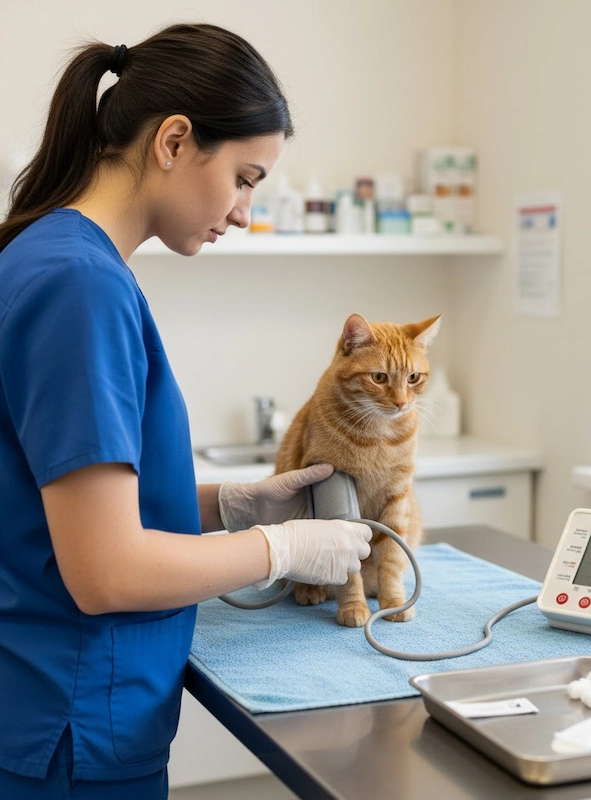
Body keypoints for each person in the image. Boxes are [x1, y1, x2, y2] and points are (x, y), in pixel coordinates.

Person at [0, 22, 372, 799]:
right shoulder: (81, 285)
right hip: (70, 727)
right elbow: (106, 570)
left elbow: (58, 503)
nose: (242, 212)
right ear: (173, 141)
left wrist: (227, 506)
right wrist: (281, 548)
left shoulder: (51, 256)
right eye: (244, 177)